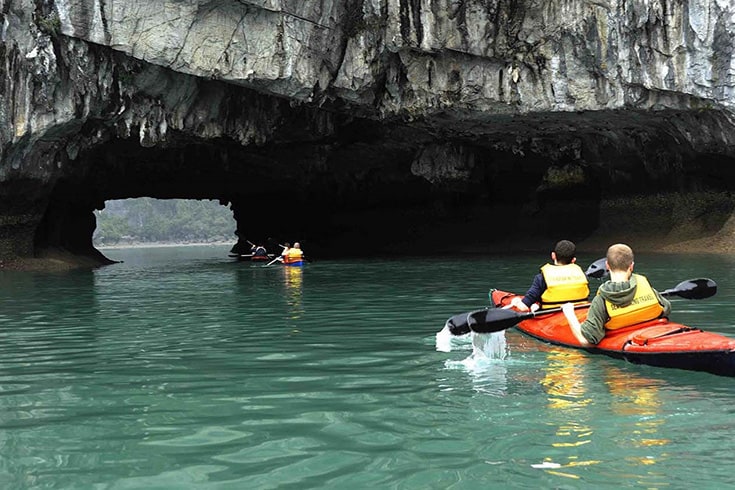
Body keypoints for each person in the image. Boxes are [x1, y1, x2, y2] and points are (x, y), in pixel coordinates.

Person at [562, 243, 671, 345]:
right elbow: (666, 308)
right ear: (631, 266)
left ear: (607, 266)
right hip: (653, 333)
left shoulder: (601, 299)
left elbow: (587, 340)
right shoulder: (644, 284)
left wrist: (569, 313)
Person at [510, 239, 589, 312]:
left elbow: (523, 308)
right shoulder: (582, 275)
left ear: (553, 255)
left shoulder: (541, 278)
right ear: (573, 260)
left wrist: (516, 302)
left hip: (551, 316)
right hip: (580, 313)